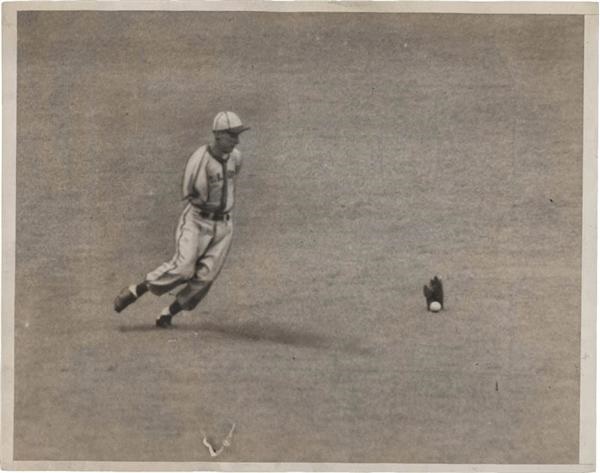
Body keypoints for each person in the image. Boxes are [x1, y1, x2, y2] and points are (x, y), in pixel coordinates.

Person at [113, 111, 250, 328]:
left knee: (205, 278)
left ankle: (168, 313)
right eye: (232, 135)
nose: (236, 140)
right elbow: (190, 193)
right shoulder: (199, 160)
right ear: (218, 135)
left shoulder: (236, 157)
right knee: (184, 268)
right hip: (197, 221)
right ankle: (136, 290)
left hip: (224, 226)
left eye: (237, 135)